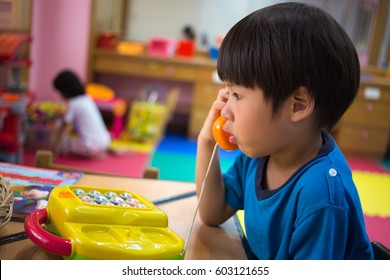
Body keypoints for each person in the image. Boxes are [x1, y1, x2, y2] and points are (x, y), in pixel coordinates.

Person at [196, 2, 374, 260]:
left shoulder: (321, 195)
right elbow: (213, 211)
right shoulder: (261, 152)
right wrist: (206, 141)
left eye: (236, 94)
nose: (224, 110)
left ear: (297, 105)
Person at [52, 70, 111, 158]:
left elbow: (63, 126)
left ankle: (94, 153)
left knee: (64, 146)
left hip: (90, 147)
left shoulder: (73, 103)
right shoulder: (87, 98)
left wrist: (54, 149)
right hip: (105, 141)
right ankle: (100, 151)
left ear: (65, 91)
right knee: (78, 140)